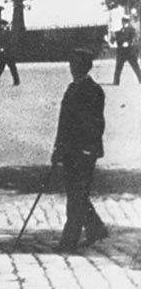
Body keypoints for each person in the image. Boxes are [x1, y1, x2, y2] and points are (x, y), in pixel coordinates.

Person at [51, 48, 108, 253]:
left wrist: (88, 149)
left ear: (84, 67)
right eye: (71, 65)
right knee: (76, 194)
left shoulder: (93, 90)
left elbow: (96, 124)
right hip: (69, 150)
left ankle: (69, 241)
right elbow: (63, 123)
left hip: (84, 151)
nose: (72, 68)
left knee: (76, 196)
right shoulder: (72, 88)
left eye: (75, 65)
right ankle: (96, 228)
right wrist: (58, 147)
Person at [110, 17, 141, 86]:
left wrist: (128, 43)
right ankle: (116, 82)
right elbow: (114, 40)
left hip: (130, 52)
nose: (124, 23)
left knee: (135, 67)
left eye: (125, 22)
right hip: (121, 52)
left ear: (128, 22)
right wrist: (112, 37)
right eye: (123, 22)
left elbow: (133, 38)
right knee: (118, 67)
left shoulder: (132, 30)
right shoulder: (120, 31)